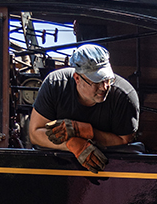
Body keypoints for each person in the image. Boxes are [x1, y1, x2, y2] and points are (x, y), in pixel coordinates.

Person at [28, 44, 140, 173]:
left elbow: (124, 140)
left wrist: (84, 131)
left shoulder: (124, 96)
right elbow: (35, 133)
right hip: (57, 168)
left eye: (107, 79)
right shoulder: (55, 84)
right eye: (96, 81)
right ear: (77, 78)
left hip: (108, 170)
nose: (104, 87)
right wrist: (72, 144)